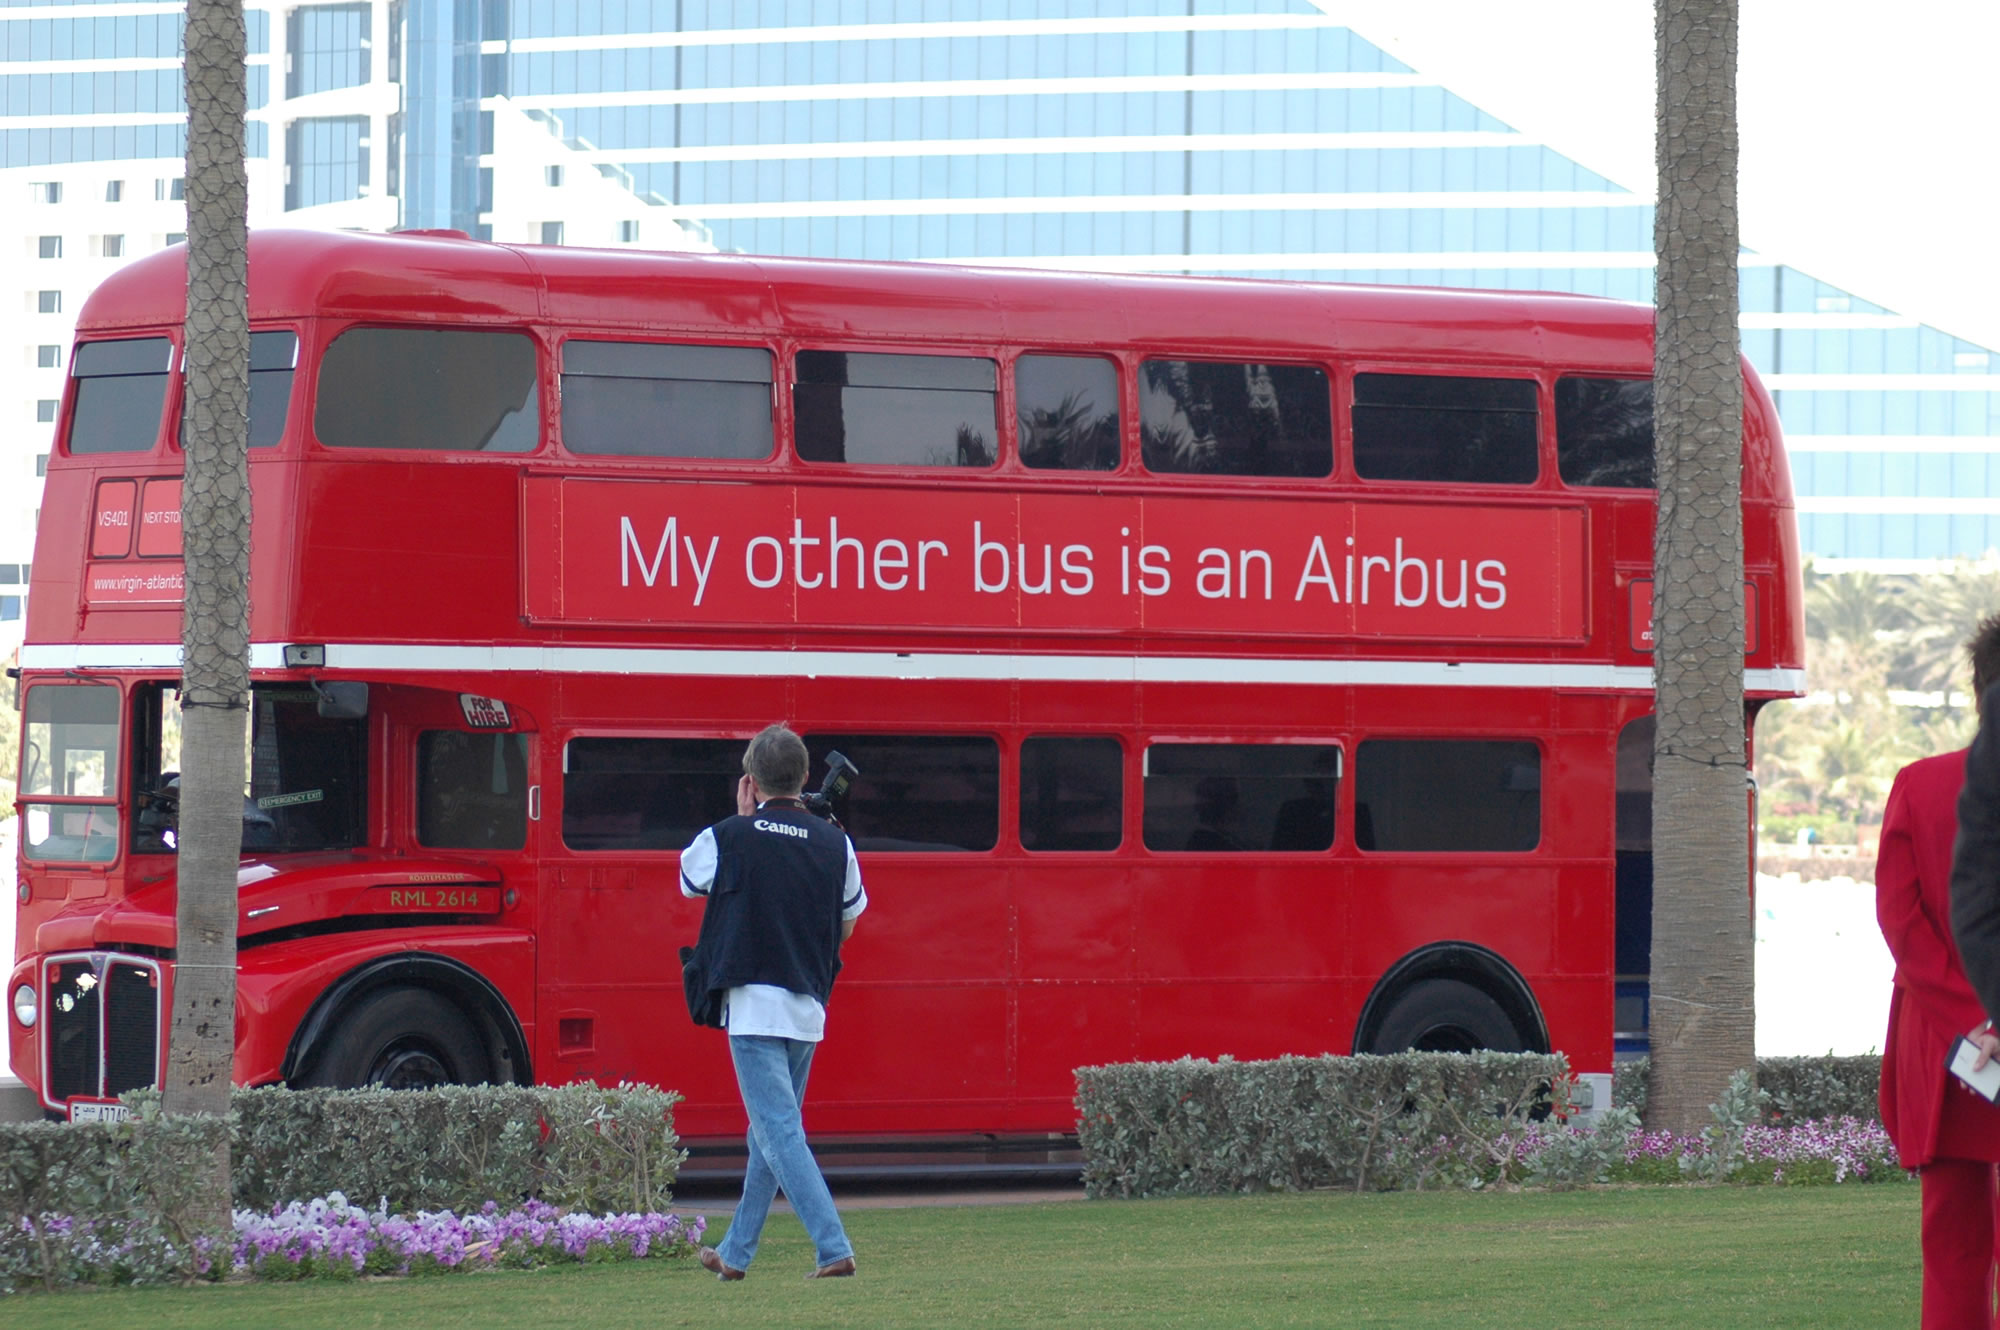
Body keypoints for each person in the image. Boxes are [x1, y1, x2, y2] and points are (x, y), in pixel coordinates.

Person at [680, 724, 866, 1281]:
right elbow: (849, 924)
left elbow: (690, 881)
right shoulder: (837, 842)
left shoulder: (728, 836)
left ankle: (833, 1246)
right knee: (768, 1133)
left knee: (779, 1132)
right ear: (805, 776)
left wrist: (744, 819)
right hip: (808, 1005)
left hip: (753, 1004)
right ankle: (735, 1254)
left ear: (751, 780)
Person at [1884, 614, 2000, 1328]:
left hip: (1950, 1050)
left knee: (1953, 1248)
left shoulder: (1919, 786)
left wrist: (1975, 1019)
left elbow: (1903, 925)